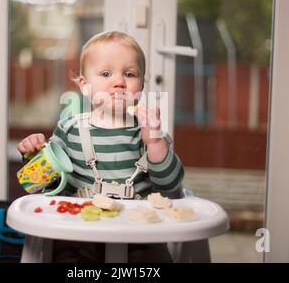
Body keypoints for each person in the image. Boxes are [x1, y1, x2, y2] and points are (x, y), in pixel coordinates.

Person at [17, 30, 186, 262]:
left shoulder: (148, 132)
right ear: (85, 86)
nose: (119, 82)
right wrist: (34, 153)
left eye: (129, 73)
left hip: (137, 232)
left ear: (142, 85)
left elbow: (171, 183)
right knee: (65, 255)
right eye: (106, 73)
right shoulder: (69, 129)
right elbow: (45, 183)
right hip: (80, 228)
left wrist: (155, 143)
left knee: (154, 259)